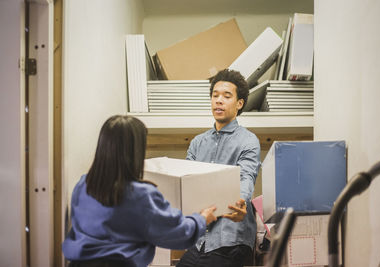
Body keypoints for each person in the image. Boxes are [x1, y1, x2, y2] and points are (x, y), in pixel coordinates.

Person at [62, 115, 217, 267]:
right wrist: (201, 219)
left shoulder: (83, 185)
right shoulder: (140, 195)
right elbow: (177, 233)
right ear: (135, 150)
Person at [177, 69, 261, 267]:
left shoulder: (248, 140)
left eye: (226, 96)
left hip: (231, 241)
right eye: (215, 96)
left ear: (239, 103)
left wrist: (239, 203)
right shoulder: (198, 143)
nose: (218, 100)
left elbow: (246, 178)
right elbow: (186, 183)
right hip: (198, 242)